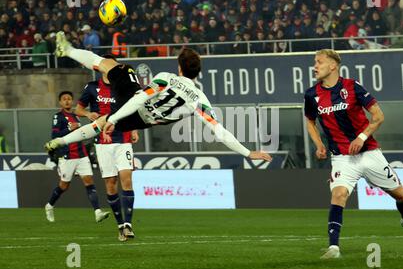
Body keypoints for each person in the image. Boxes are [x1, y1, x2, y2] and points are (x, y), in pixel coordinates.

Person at [44, 32, 272, 182]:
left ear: (180, 67)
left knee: (112, 66)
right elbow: (219, 131)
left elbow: (140, 98)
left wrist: (114, 118)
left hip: (132, 105)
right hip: (142, 122)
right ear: (197, 73)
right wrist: (248, 152)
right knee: (102, 122)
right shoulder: (199, 99)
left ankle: (68, 50)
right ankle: (60, 142)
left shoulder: (166, 78)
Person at [303, 49, 403, 259]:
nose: (315, 66)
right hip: (342, 158)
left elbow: (378, 116)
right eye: (315, 62)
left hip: (369, 153)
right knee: (338, 194)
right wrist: (318, 144)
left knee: (401, 195)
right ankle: (334, 248)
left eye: (319, 62)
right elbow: (309, 120)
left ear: (333, 66)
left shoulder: (352, 87)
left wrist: (361, 137)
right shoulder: (312, 94)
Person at [75, 57, 139, 242]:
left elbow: (133, 108)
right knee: (111, 184)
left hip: (123, 138)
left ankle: (128, 224)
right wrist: (88, 114)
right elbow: (78, 109)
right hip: (102, 142)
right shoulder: (91, 87)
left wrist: (134, 128)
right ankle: (120, 225)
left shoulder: (123, 86)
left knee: (126, 179)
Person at [45, 91, 110, 223]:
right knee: (64, 186)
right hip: (67, 156)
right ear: (60, 102)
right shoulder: (58, 117)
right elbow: (54, 136)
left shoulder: (76, 116)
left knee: (89, 182)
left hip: (81, 154)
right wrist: (70, 129)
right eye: (64, 99)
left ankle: (97, 212)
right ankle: (49, 205)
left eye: (69, 99)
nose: (67, 101)